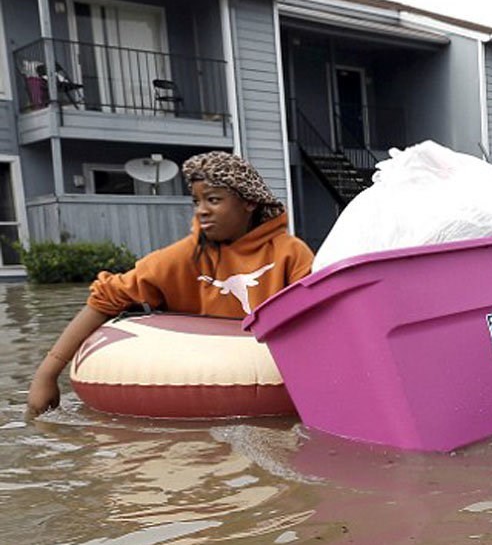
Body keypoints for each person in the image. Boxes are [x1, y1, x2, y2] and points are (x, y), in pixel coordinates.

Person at [27, 151, 315, 415]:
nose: (202, 210)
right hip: (195, 382)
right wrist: (46, 375)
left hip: (271, 381)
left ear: (249, 202)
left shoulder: (290, 253)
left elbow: (318, 317)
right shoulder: (183, 257)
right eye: (196, 202)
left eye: (213, 200)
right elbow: (105, 298)